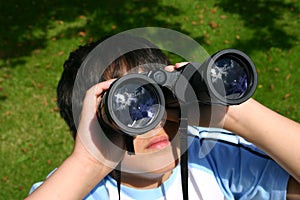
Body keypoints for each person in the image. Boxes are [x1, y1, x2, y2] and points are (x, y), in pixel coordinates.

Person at [26, 33, 300, 200]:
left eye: (162, 95)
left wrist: (234, 115)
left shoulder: (214, 159)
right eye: (129, 108)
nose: (155, 120)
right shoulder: (76, 187)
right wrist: (87, 163)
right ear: (91, 126)